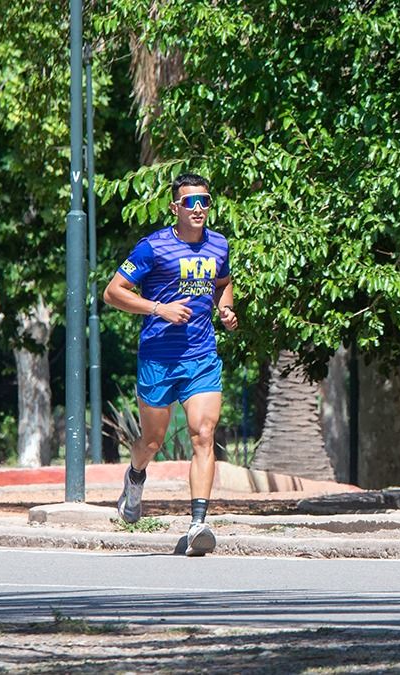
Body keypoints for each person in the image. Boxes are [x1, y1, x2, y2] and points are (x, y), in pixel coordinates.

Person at [103, 173, 237, 557]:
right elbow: (113, 292)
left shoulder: (218, 244)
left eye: (205, 201)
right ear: (174, 207)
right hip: (158, 358)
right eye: (190, 203)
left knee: (203, 434)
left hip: (201, 356)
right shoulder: (153, 247)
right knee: (152, 441)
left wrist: (225, 309)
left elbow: (222, 282)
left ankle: (198, 524)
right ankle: (135, 476)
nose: (199, 209)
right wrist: (158, 308)